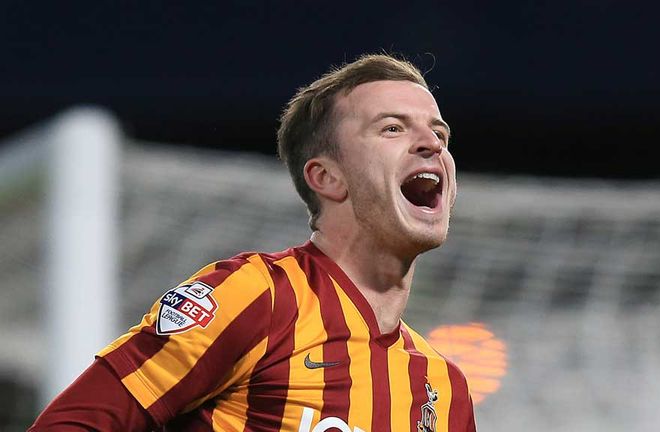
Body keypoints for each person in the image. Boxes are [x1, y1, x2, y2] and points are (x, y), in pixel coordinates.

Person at [29, 53, 477, 431]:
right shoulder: (258, 298)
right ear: (327, 178)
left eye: (440, 134)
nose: (432, 145)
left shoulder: (444, 391)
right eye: (393, 128)